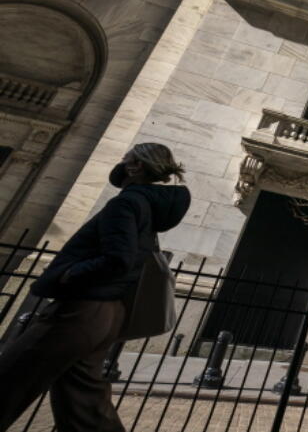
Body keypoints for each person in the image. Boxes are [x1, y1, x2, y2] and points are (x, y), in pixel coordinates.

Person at [0, 143, 190, 432]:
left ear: (135, 166)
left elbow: (119, 258)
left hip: (84, 309)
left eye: (126, 158)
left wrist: (68, 275)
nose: (122, 161)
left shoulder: (126, 203)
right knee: (84, 405)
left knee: (11, 378)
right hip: (110, 312)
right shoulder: (148, 206)